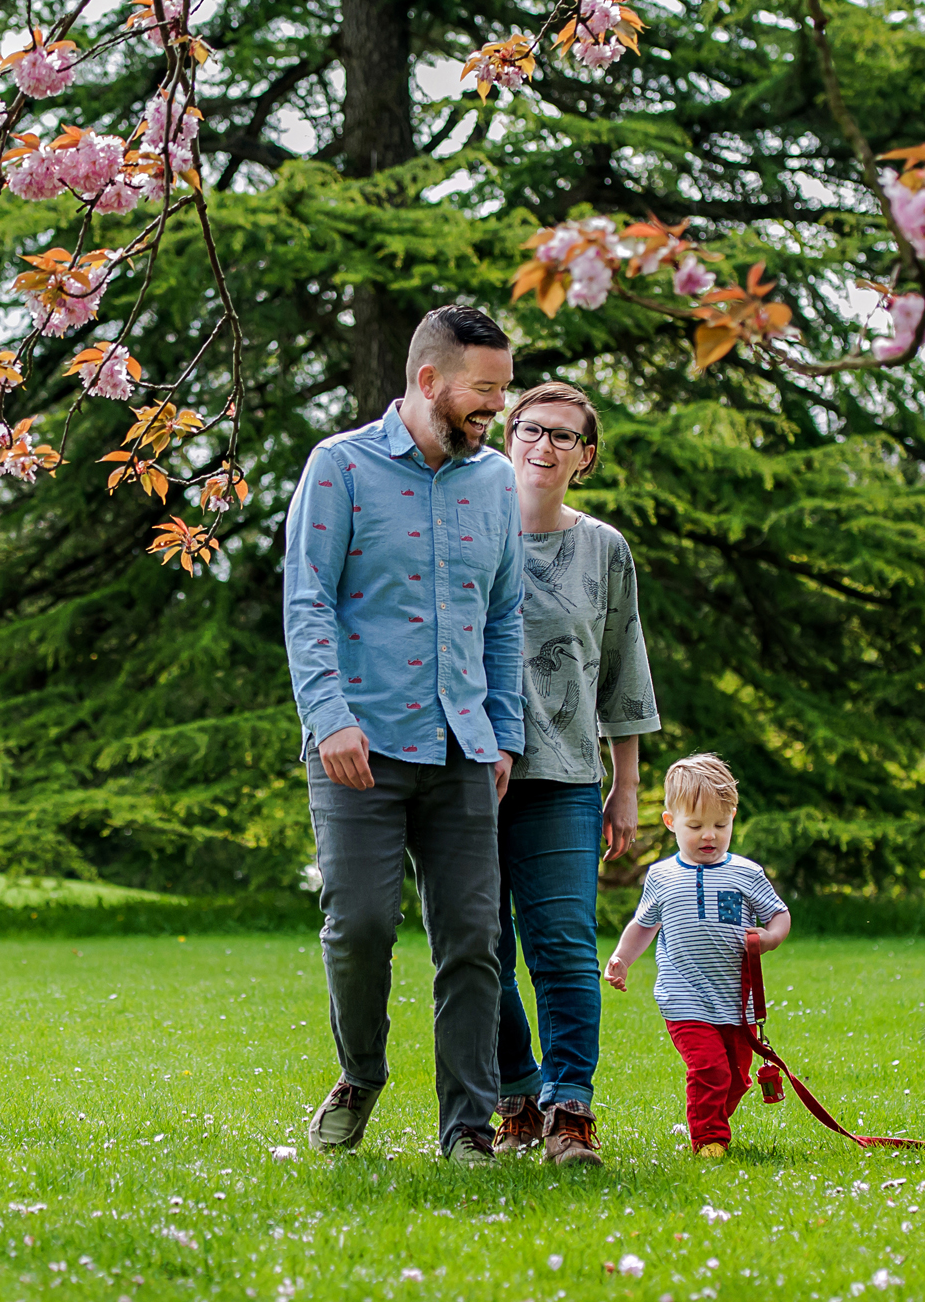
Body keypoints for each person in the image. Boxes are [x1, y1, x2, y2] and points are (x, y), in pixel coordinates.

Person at [281, 304, 526, 1165]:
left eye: (502, 388)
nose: (497, 407)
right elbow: (306, 599)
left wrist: (503, 734)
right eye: (484, 390)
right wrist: (329, 718)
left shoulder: (493, 481)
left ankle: (467, 1124)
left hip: (463, 749)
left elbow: (503, 615)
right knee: (360, 927)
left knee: (472, 941)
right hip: (358, 748)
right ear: (430, 381)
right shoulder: (338, 467)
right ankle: (361, 1073)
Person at [488, 381, 660, 1166]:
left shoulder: (604, 549)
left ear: (585, 456)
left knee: (559, 945)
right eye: (530, 429)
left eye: (563, 437)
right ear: (506, 434)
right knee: (475, 947)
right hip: (463, 772)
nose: (543, 446)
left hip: (564, 779)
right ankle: (516, 1094)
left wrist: (625, 783)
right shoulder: (466, 528)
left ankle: (569, 1111)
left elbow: (623, 669)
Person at [602, 754, 791, 1157]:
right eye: (696, 826)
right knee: (709, 1069)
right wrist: (622, 958)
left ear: (732, 819)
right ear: (672, 822)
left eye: (720, 825)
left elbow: (779, 914)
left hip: (736, 1002)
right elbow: (643, 925)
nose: (709, 835)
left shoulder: (745, 873)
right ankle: (708, 1138)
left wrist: (770, 937)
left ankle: (709, 1118)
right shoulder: (662, 876)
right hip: (683, 996)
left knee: (737, 1078)